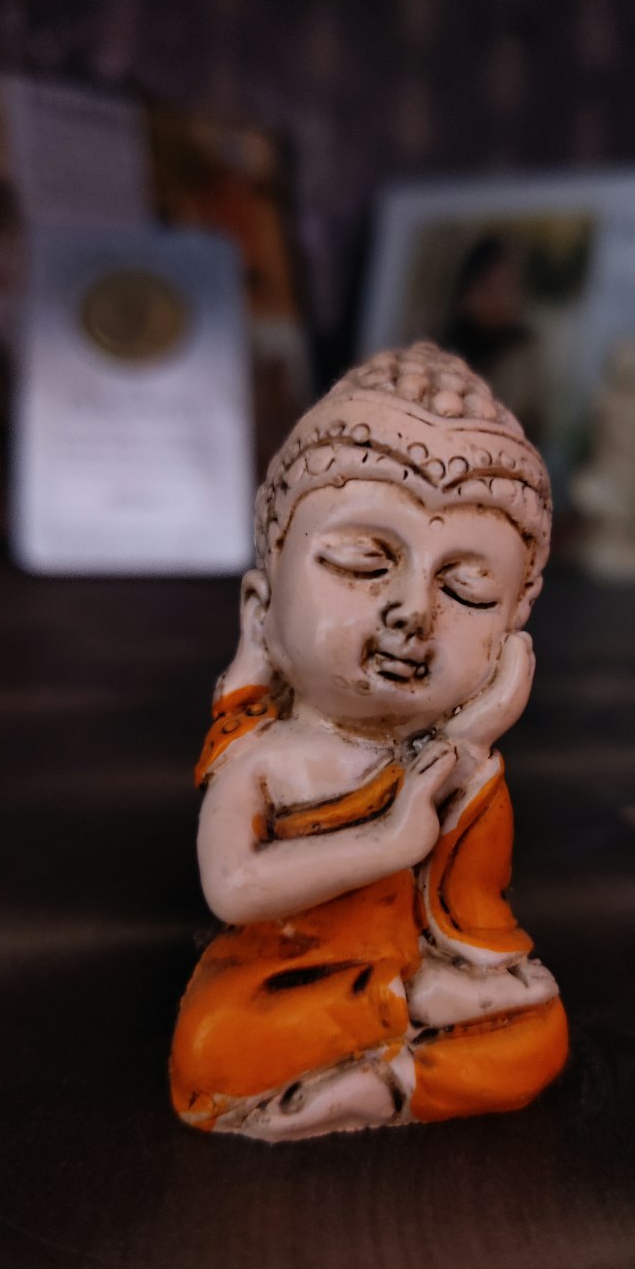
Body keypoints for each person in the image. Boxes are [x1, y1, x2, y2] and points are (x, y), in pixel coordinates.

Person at [170, 341, 568, 1140]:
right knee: (212, 1049)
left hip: (418, 972)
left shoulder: (460, 761)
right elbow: (233, 887)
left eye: (467, 588)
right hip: (280, 986)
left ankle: (384, 1083)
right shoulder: (267, 759)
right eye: (362, 561)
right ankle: (400, 1021)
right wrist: (391, 838)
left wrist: (467, 737)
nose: (414, 610)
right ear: (261, 611)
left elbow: (476, 919)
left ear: (509, 632)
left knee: (540, 1034)